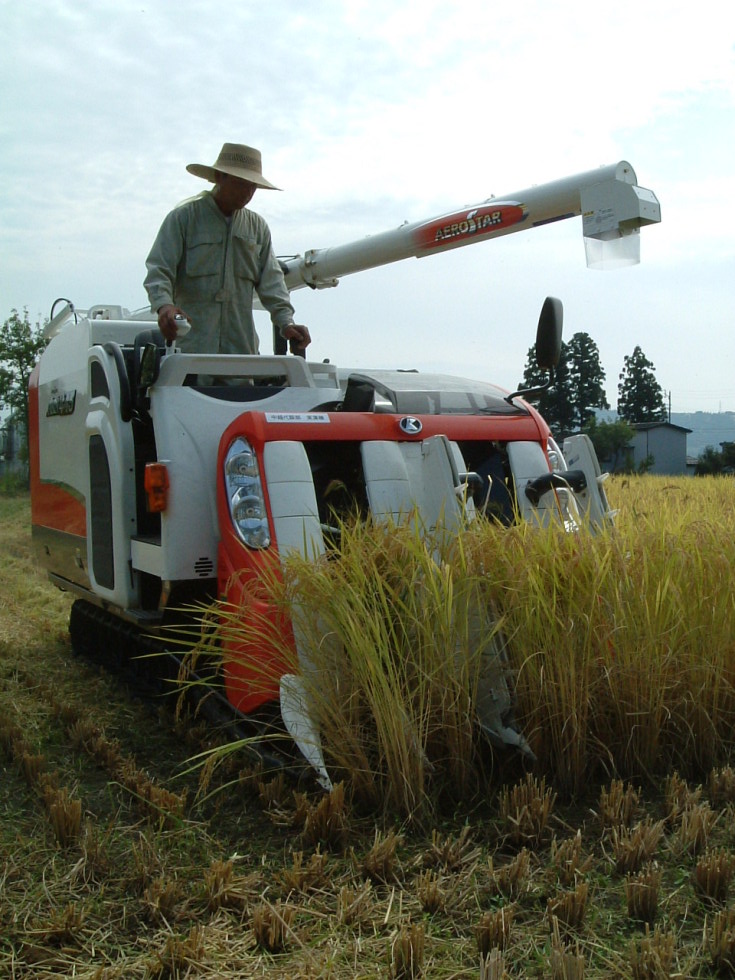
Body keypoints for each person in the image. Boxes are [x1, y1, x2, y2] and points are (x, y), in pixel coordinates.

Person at [144, 142, 310, 356]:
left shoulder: (257, 228)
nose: (249, 191)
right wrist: (164, 306)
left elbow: (272, 282)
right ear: (220, 177)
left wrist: (286, 322)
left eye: (253, 186)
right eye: (242, 183)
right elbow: (159, 269)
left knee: (242, 390)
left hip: (241, 352)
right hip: (191, 350)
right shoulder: (183, 219)